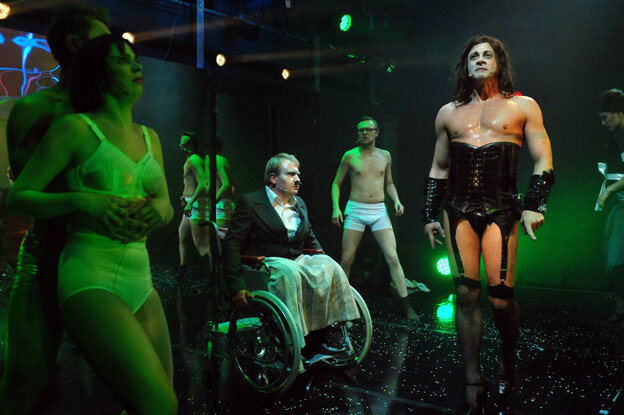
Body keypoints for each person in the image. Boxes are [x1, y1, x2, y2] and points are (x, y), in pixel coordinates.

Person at [6, 35, 177, 414]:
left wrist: (160, 209)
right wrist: (82, 200)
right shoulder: (75, 129)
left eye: (135, 60)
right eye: (123, 60)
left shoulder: (150, 137)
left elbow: (167, 207)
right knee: (158, 404)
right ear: (99, 73)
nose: (137, 67)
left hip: (140, 275)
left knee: (163, 405)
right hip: (90, 274)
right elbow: (19, 196)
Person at [422, 35, 554, 414]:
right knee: (465, 295)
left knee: (500, 300)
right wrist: (429, 214)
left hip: (502, 209)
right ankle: (472, 380)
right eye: (473, 56)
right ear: (465, 66)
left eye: (487, 55)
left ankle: (508, 361)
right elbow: (439, 167)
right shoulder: (448, 113)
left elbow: (543, 158)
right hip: (457, 209)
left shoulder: (523, 106)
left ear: (499, 62)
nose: (480, 60)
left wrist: (534, 205)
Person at [0, 6, 111, 413]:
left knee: (145, 390)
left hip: (104, 259)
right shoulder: (34, 109)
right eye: (102, 39)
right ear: (76, 44)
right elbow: (25, 194)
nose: (112, 49)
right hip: (47, 258)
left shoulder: (113, 112)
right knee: (25, 386)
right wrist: (82, 200)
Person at [223, 153, 360, 356]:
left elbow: (310, 238)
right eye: (291, 174)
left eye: (298, 174)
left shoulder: (299, 203)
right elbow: (232, 243)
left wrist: (325, 264)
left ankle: (332, 329)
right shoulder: (251, 202)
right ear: (273, 178)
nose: (298, 179)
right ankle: (295, 339)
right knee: (289, 272)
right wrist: (236, 285)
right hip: (264, 263)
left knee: (331, 265)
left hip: (295, 260)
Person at [332, 116, 419, 320]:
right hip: (356, 210)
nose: (364, 132)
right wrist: (336, 208)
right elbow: (336, 183)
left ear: (376, 132)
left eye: (368, 129)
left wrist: (396, 200)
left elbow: (389, 183)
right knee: (347, 259)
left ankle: (406, 305)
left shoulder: (385, 155)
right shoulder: (350, 156)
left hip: (379, 210)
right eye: (361, 130)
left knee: (392, 257)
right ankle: (342, 306)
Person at [177, 132, 233, 278]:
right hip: (193, 202)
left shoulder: (196, 160)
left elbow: (204, 184)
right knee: (183, 235)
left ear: (190, 145)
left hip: (199, 205)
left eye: (183, 143)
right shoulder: (195, 160)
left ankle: (215, 274)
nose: (180, 145)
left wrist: (193, 202)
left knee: (203, 244)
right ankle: (182, 270)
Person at [596, 89, 624, 327]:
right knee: (613, 255)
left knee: (616, 257)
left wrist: (608, 191)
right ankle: (620, 306)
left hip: (620, 202)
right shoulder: (616, 137)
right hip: (619, 204)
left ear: (620, 114)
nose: (603, 123)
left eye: (606, 118)